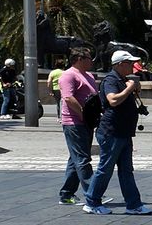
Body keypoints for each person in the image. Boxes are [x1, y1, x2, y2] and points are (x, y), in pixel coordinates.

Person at [83, 49, 152, 215]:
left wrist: (133, 90)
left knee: (126, 170)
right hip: (111, 131)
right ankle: (92, 202)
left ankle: (133, 205)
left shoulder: (122, 80)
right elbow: (113, 100)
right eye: (130, 63)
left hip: (123, 132)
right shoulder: (110, 80)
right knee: (105, 168)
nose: (133, 66)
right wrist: (129, 89)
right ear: (120, 64)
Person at [58, 46, 99, 207]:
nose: (92, 61)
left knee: (75, 159)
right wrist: (83, 115)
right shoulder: (68, 75)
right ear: (79, 59)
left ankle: (66, 194)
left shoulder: (88, 75)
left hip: (86, 122)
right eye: (89, 58)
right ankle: (92, 194)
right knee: (82, 159)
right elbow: (68, 98)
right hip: (74, 123)